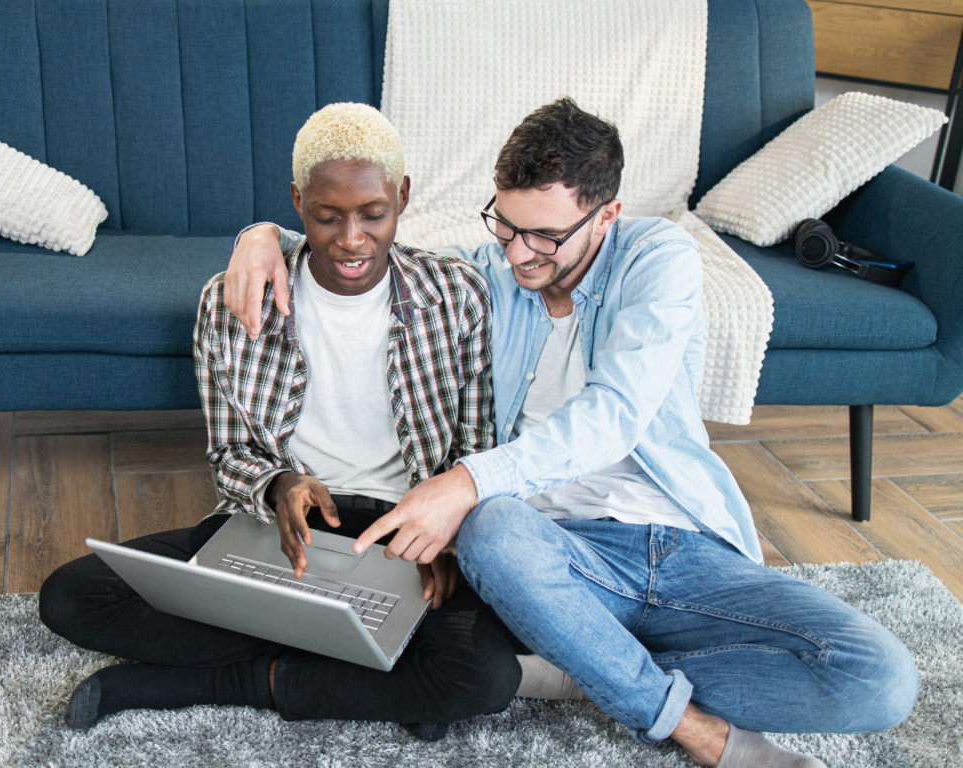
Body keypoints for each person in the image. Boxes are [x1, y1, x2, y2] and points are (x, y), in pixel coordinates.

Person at [225, 98, 918, 767]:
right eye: (506, 224)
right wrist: (264, 236)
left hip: (682, 553)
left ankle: (582, 666)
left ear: (608, 214)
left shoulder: (658, 259)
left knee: (880, 679)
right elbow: (375, 248)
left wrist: (463, 483)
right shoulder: (491, 271)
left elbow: (615, 415)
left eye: (546, 236)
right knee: (491, 528)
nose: (521, 254)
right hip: (548, 557)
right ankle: (693, 730)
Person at [38, 103, 521, 741]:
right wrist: (276, 486)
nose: (351, 238)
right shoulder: (231, 300)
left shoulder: (456, 295)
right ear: (297, 201)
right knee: (73, 596)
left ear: (402, 197)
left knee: (487, 675)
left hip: (405, 538)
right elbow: (231, 449)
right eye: (326, 216)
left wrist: (449, 536)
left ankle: (221, 681)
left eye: (373, 214)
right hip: (279, 533)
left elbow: (477, 448)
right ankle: (366, 677)